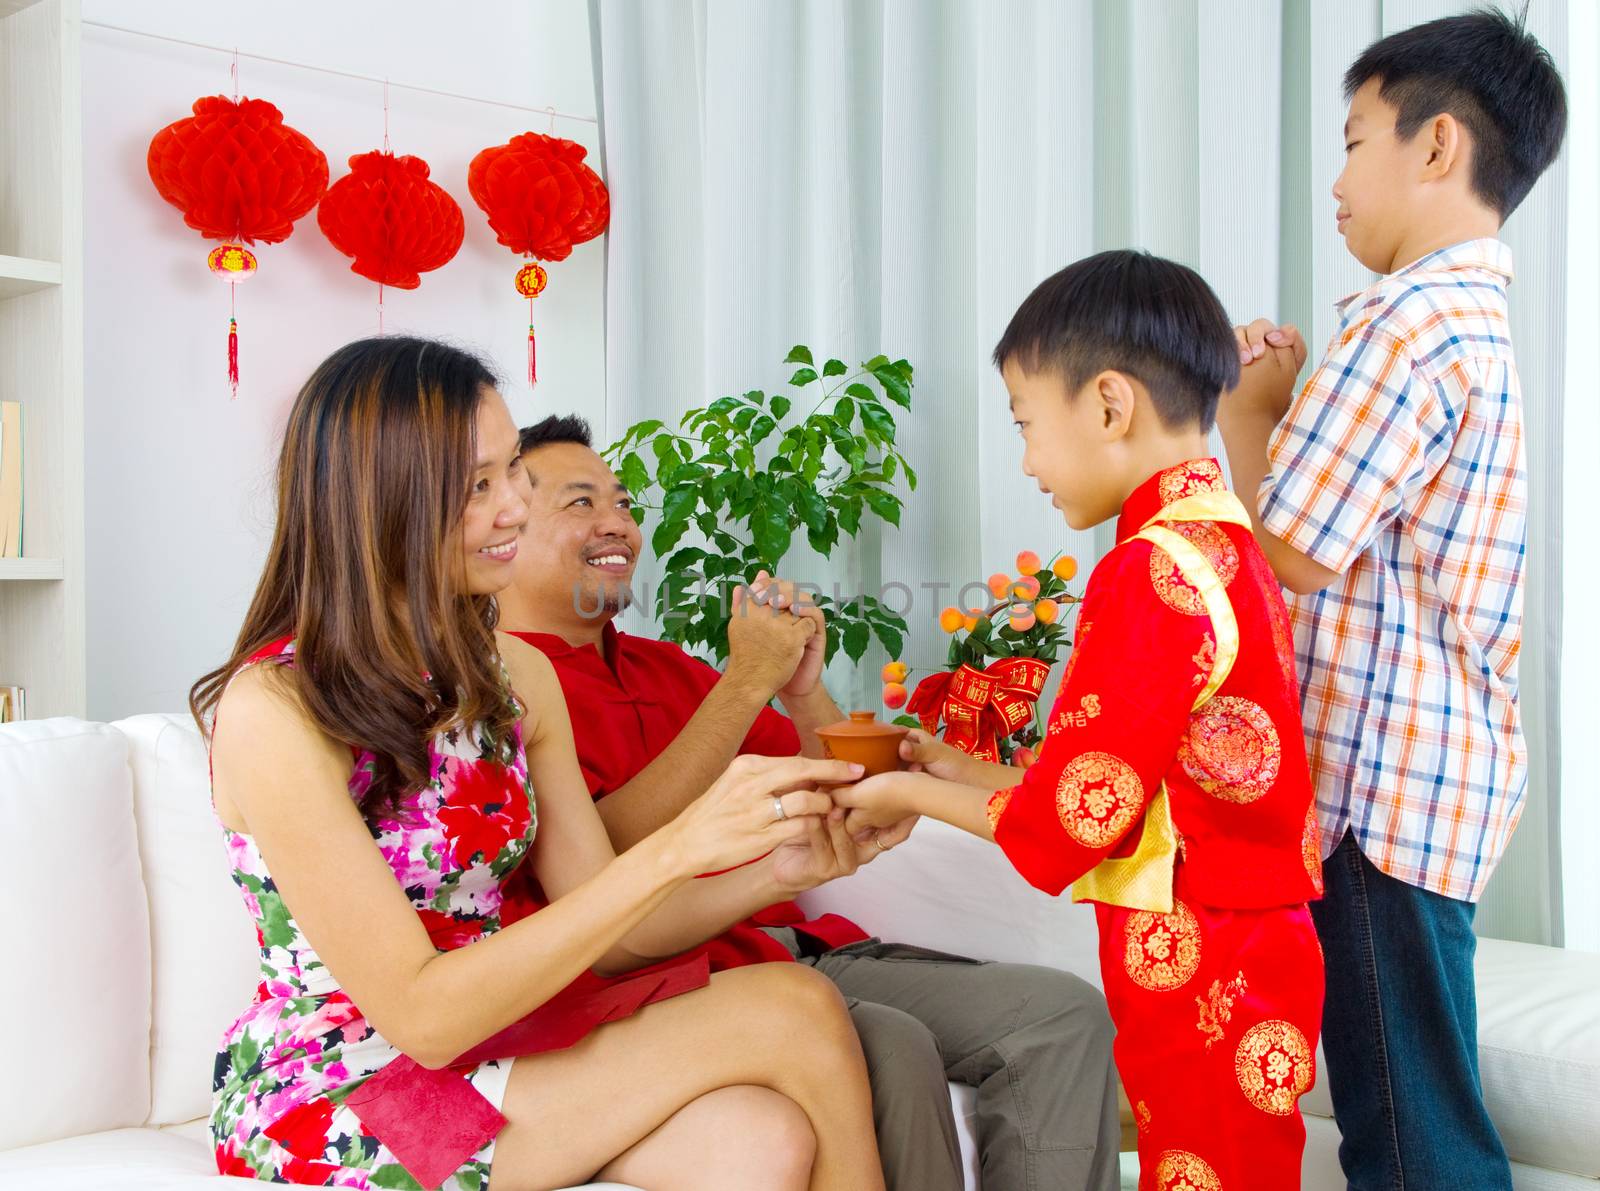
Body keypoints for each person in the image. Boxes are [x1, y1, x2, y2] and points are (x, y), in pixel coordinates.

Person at [193, 336, 888, 1191]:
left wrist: (773, 867)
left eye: (510, 471)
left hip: (500, 1047)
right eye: (478, 486)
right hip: (350, 1093)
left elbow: (621, 935)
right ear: (385, 504)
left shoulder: (515, 679)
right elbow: (422, 1016)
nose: (514, 507)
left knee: (761, 1138)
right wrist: (679, 846)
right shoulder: (276, 710)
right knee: (796, 1008)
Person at [495, 414, 1123, 1191]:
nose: (617, 522)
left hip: (793, 948)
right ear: (505, 532)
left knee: (1059, 1016)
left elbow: (843, 789)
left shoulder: (665, 668)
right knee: (889, 1046)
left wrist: (800, 690)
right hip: (677, 982)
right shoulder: (506, 692)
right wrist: (745, 680)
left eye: (623, 502)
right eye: (581, 503)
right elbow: (606, 863)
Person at [833, 250, 1326, 1189]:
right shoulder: (1222, 546)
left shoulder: (1148, 567)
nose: (1025, 459)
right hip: (1247, 938)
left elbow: (1077, 818)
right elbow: (1131, 785)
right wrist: (954, 769)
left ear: (1109, 404)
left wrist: (901, 789)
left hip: (1202, 950)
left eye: (1026, 423)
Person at [1217, 10, 1567, 1187]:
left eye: (1356, 137)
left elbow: (1295, 551)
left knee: (1407, 1127)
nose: (1336, 176)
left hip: (1378, 794)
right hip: (1436, 778)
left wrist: (1245, 415)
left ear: (1435, 147)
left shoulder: (1403, 324)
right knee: (1410, 1096)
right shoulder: (1469, 323)